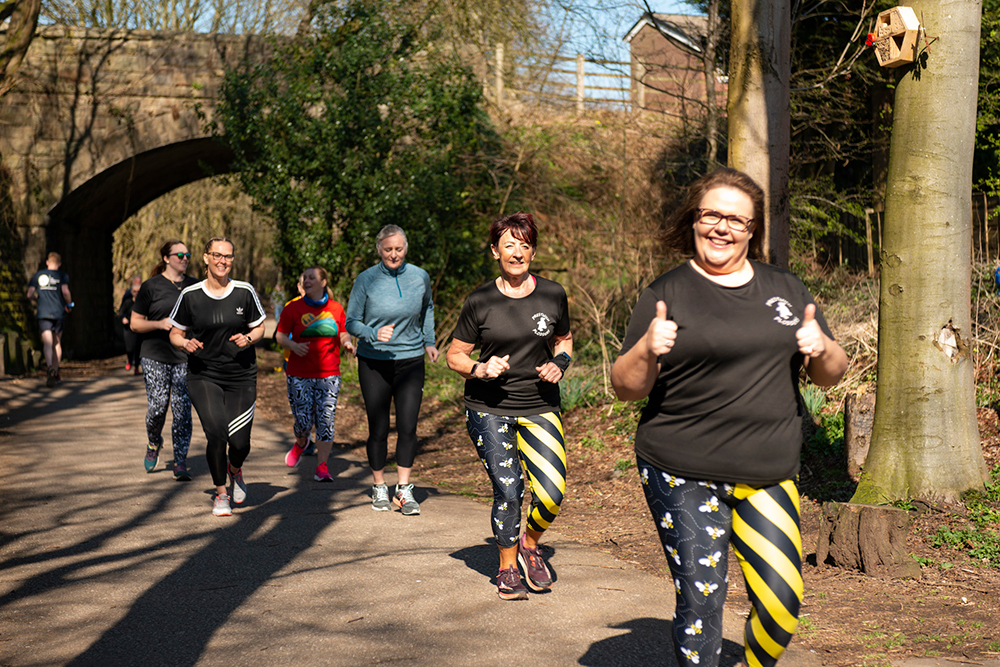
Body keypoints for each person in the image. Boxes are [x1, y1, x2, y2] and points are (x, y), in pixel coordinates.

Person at [610, 168, 848, 667]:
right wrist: (648, 350)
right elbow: (626, 387)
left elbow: (831, 374)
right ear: (694, 220)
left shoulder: (785, 288)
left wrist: (821, 347)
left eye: (736, 219)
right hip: (681, 467)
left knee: (782, 602)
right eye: (711, 214)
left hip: (768, 471)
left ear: (753, 229)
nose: (722, 227)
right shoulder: (666, 292)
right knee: (702, 603)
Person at [446, 212, 573, 601]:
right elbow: (454, 357)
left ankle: (529, 545)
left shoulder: (553, 294)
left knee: (552, 492)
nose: (518, 252)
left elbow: (564, 341)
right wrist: (481, 368)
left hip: (539, 406)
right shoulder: (480, 300)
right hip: (489, 408)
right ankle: (505, 567)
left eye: (525, 244)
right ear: (495, 252)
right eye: (510, 245)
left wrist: (560, 364)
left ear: (533, 250)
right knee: (510, 489)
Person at [168, 237, 266, 516]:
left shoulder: (244, 292)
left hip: (241, 375)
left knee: (240, 442)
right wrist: (184, 343)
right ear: (206, 257)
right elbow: (175, 332)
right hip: (204, 374)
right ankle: (221, 493)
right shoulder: (191, 295)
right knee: (216, 433)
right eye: (218, 255)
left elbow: (259, 328)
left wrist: (248, 338)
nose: (223, 261)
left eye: (228, 256)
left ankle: (235, 470)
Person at [346, 225, 439, 516]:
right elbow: (351, 322)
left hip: (411, 360)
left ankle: (404, 489)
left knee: (409, 426)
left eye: (398, 249)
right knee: (379, 427)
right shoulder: (366, 279)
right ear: (379, 250)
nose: (394, 254)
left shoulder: (419, 276)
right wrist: (372, 333)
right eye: (388, 249)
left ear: (406, 248)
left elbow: (428, 308)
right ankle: (378, 486)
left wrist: (429, 341)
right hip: (374, 362)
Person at [277, 266, 355, 481]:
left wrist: (347, 343)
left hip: (329, 373)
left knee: (326, 419)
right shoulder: (293, 308)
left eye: (312, 278)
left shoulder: (336, 308)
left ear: (323, 282)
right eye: (305, 278)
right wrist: (293, 346)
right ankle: (301, 443)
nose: (307, 281)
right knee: (302, 421)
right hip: (299, 373)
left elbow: (342, 332)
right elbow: (280, 336)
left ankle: (322, 466)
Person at [130, 241, 199, 479]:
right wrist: (159, 324)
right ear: (167, 258)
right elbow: (135, 323)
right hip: (155, 354)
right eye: (180, 254)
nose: (185, 257)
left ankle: (180, 460)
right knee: (158, 407)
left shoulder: (195, 285)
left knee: (182, 411)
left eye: (187, 254)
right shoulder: (151, 286)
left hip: (184, 354)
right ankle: (153, 442)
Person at [26, 252, 73, 387]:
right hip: (58, 312)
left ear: (47, 262)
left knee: (47, 343)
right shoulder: (62, 276)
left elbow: (29, 294)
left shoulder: (38, 275)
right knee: (57, 344)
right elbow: (65, 292)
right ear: (59, 264)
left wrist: (38, 300)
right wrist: (69, 305)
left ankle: (50, 367)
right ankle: (56, 372)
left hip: (43, 313)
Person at [119, 274, 142, 374]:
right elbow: (121, 311)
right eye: (134, 291)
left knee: (137, 348)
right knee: (129, 347)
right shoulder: (127, 301)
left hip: (139, 327)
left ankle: (136, 367)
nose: (136, 293)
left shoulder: (142, 301)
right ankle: (129, 359)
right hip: (128, 327)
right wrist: (123, 318)